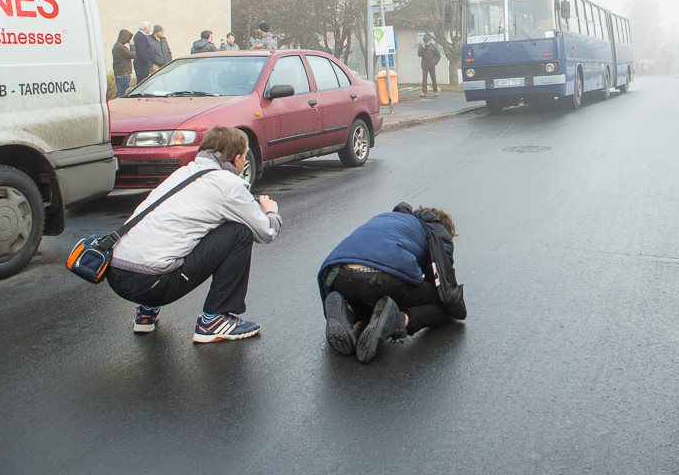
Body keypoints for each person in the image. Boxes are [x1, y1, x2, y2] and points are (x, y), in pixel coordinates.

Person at [105, 126, 282, 342]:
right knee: (239, 232)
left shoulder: (183, 173)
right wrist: (271, 211)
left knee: (173, 233)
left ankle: (146, 313)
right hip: (152, 284)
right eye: (244, 157)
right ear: (236, 158)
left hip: (116, 275)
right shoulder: (228, 184)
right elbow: (266, 232)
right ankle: (214, 320)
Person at [317, 203, 465, 363]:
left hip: (338, 273)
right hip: (381, 275)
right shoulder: (436, 232)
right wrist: (457, 310)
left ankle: (348, 310)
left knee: (374, 292)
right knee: (442, 306)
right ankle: (398, 320)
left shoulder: (390, 218)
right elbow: (445, 288)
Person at [111, 28, 134, 97]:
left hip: (120, 73)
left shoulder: (116, 46)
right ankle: (118, 106)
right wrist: (132, 45)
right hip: (123, 74)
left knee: (121, 91)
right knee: (122, 93)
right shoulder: (121, 47)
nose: (129, 40)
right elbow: (133, 55)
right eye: (128, 38)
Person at [418, 33, 441, 97]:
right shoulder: (422, 47)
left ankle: (435, 91)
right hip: (424, 66)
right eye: (425, 41)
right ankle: (424, 92)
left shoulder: (433, 47)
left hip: (431, 65)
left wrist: (435, 62)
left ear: (430, 41)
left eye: (427, 41)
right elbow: (419, 54)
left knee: (433, 79)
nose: (426, 43)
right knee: (424, 79)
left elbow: (438, 55)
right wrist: (422, 48)